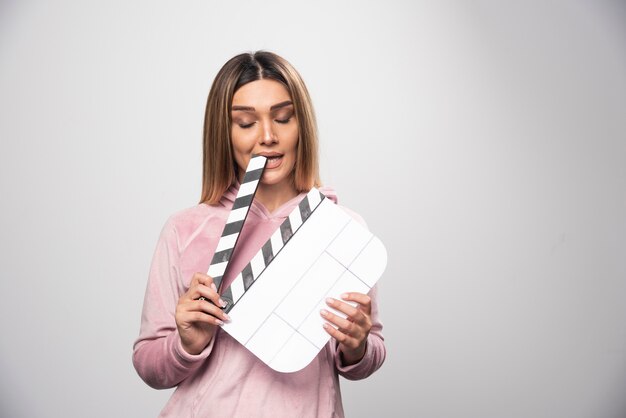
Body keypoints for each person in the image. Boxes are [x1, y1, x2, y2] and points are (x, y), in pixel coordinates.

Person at [133, 51, 386, 417]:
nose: (268, 136)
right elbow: (148, 363)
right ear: (225, 133)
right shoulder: (184, 230)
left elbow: (368, 353)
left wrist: (357, 345)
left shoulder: (341, 229)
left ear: (302, 125)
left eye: (283, 118)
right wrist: (185, 344)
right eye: (246, 123)